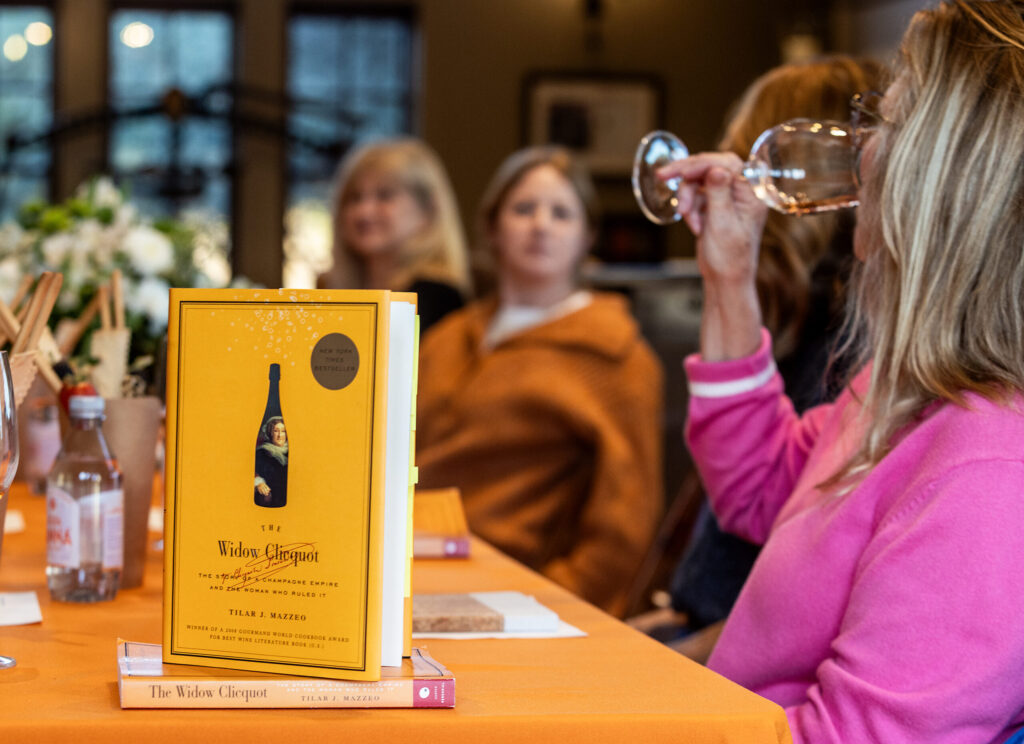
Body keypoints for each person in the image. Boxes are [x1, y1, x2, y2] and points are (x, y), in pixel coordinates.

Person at [660, 1, 1024, 741]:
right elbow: (758, 491)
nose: (857, 146)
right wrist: (729, 278)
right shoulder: (901, 393)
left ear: (939, 183)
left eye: (883, 119)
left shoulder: (989, 470)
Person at [641, 56, 885, 656]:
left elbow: (816, 617)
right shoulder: (811, 328)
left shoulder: (854, 341)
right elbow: (756, 485)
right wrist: (728, 273)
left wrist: (671, 656)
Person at [416, 146, 664, 617]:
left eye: (562, 213)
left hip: (517, 600)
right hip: (406, 577)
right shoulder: (446, 338)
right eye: (524, 208)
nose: (541, 225)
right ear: (492, 226)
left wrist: (549, 604)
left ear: (586, 235)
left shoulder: (617, 355)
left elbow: (624, 529)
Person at [317, 138, 471, 333]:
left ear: (427, 211)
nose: (364, 212)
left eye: (384, 195)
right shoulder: (331, 290)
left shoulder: (436, 299)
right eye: (354, 197)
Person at [254, 416, 288, 508]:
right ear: (270, 433)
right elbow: (250, 471)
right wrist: (258, 482)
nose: (280, 435)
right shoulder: (262, 452)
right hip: (272, 498)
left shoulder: (291, 452)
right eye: (276, 431)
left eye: (283, 431)